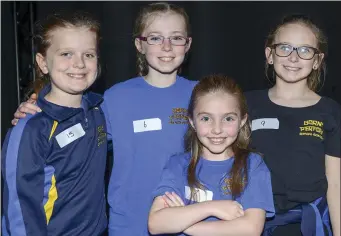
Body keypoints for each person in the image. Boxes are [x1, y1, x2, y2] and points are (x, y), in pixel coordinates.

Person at [10, 3, 196, 235]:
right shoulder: (111, 100)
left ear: (187, 44)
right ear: (139, 44)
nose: (166, 46)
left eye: (176, 38)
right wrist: (36, 107)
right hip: (128, 226)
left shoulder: (203, 96)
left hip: (189, 223)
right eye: (155, 38)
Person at [2, 11, 108, 236]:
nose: (78, 63)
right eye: (66, 54)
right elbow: (19, 208)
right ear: (43, 63)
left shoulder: (97, 111)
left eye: (88, 54)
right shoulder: (30, 128)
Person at [245, 15, 340, 236]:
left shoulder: (331, 112)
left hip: (307, 227)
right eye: (285, 47)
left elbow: (336, 184)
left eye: (305, 50)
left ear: (317, 60)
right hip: (252, 223)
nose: (293, 58)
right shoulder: (246, 104)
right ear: (270, 55)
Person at [148, 74, 275, 235]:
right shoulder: (177, 165)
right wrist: (213, 207)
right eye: (206, 118)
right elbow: (156, 223)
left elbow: (250, 229)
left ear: (242, 121)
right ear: (192, 121)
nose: (217, 129)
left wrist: (183, 223)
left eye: (228, 118)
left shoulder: (252, 165)